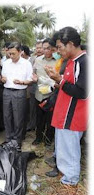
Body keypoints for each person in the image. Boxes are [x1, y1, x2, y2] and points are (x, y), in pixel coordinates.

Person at [46, 27, 88, 185]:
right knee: (64, 149)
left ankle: (70, 181)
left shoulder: (84, 62)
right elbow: (70, 83)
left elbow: (82, 92)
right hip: (64, 114)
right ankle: (67, 177)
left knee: (70, 151)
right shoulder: (72, 62)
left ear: (70, 44)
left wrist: (60, 80)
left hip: (72, 116)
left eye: (60, 47)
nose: (58, 51)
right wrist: (58, 79)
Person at [0, 42, 34, 151]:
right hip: (7, 91)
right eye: (9, 54)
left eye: (14, 54)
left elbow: (30, 80)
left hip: (19, 92)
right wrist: (2, 79)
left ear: (20, 52)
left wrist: (22, 82)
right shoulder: (6, 63)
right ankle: (8, 138)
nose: (11, 56)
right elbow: (3, 78)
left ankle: (17, 141)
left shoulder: (26, 64)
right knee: (7, 116)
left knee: (18, 117)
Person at [33, 38, 57, 146]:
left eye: (48, 48)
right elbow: (33, 73)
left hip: (51, 95)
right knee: (39, 119)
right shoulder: (38, 60)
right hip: (39, 94)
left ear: (53, 49)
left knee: (50, 119)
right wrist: (34, 77)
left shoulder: (58, 61)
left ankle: (48, 139)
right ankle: (38, 138)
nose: (46, 50)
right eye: (44, 48)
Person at [26, 41, 44, 132]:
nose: (39, 50)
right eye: (37, 48)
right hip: (33, 88)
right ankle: (32, 125)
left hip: (45, 89)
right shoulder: (32, 59)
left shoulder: (47, 59)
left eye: (40, 48)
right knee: (32, 108)